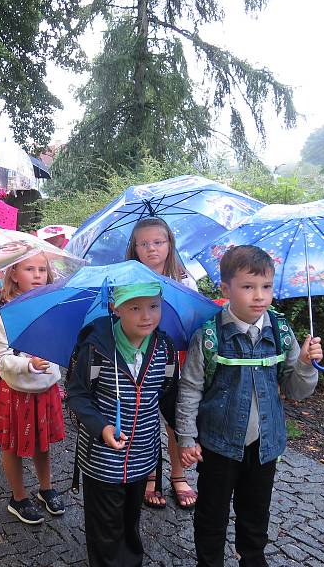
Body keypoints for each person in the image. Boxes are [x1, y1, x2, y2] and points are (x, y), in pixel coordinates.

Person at [176, 244, 323, 567]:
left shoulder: (281, 332)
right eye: (248, 287)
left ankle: (252, 557)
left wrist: (306, 364)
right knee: (211, 513)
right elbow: (190, 389)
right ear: (226, 289)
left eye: (266, 287)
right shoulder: (210, 336)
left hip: (265, 445)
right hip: (219, 444)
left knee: (255, 512)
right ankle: (209, 561)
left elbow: (296, 391)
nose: (259, 296)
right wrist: (186, 438)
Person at [67, 282, 172, 566]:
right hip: (102, 459)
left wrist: (187, 436)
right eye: (135, 308)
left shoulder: (165, 349)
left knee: (129, 521)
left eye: (153, 306)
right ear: (116, 308)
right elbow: (77, 394)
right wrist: (101, 426)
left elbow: (167, 390)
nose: (146, 316)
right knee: (105, 529)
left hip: (141, 455)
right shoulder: (97, 349)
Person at [0, 254, 66, 525]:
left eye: (42, 269)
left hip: (46, 390)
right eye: (29, 268)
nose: (36, 274)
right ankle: (18, 497)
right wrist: (28, 365)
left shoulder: (54, 308)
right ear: (13, 275)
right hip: (17, 391)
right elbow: (0, 358)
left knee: (42, 444)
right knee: (12, 445)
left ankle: (45, 488)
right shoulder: (7, 314)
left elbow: (61, 343)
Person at [125, 217, 197, 509]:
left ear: (170, 244)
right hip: (139, 355)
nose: (151, 249)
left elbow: (194, 320)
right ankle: (150, 473)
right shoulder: (128, 277)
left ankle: (178, 475)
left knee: (175, 418)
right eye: (144, 243)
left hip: (175, 357)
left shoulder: (183, 279)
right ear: (135, 247)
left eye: (158, 242)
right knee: (143, 417)